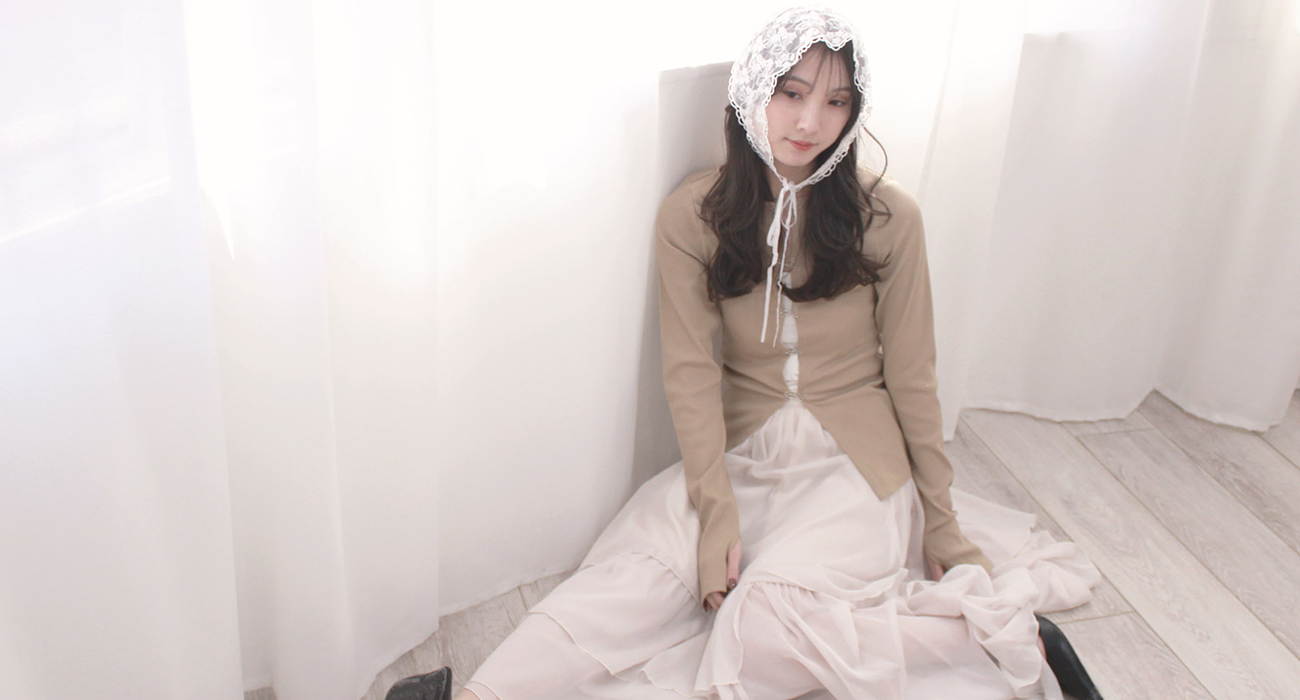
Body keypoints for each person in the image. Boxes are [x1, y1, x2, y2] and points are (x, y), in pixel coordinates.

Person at [389, 7, 1103, 700]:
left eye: (836, 102)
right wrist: (716, 512)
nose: (810, 122)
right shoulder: (691, 216)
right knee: (628, 584)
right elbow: (690, 373)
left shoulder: (889, 219)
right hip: (738, 456)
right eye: (791, 93)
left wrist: (940, 522)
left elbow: (915, 378)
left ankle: (1001, 637)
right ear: (753, 88)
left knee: (763, 625)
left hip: (855, 468)